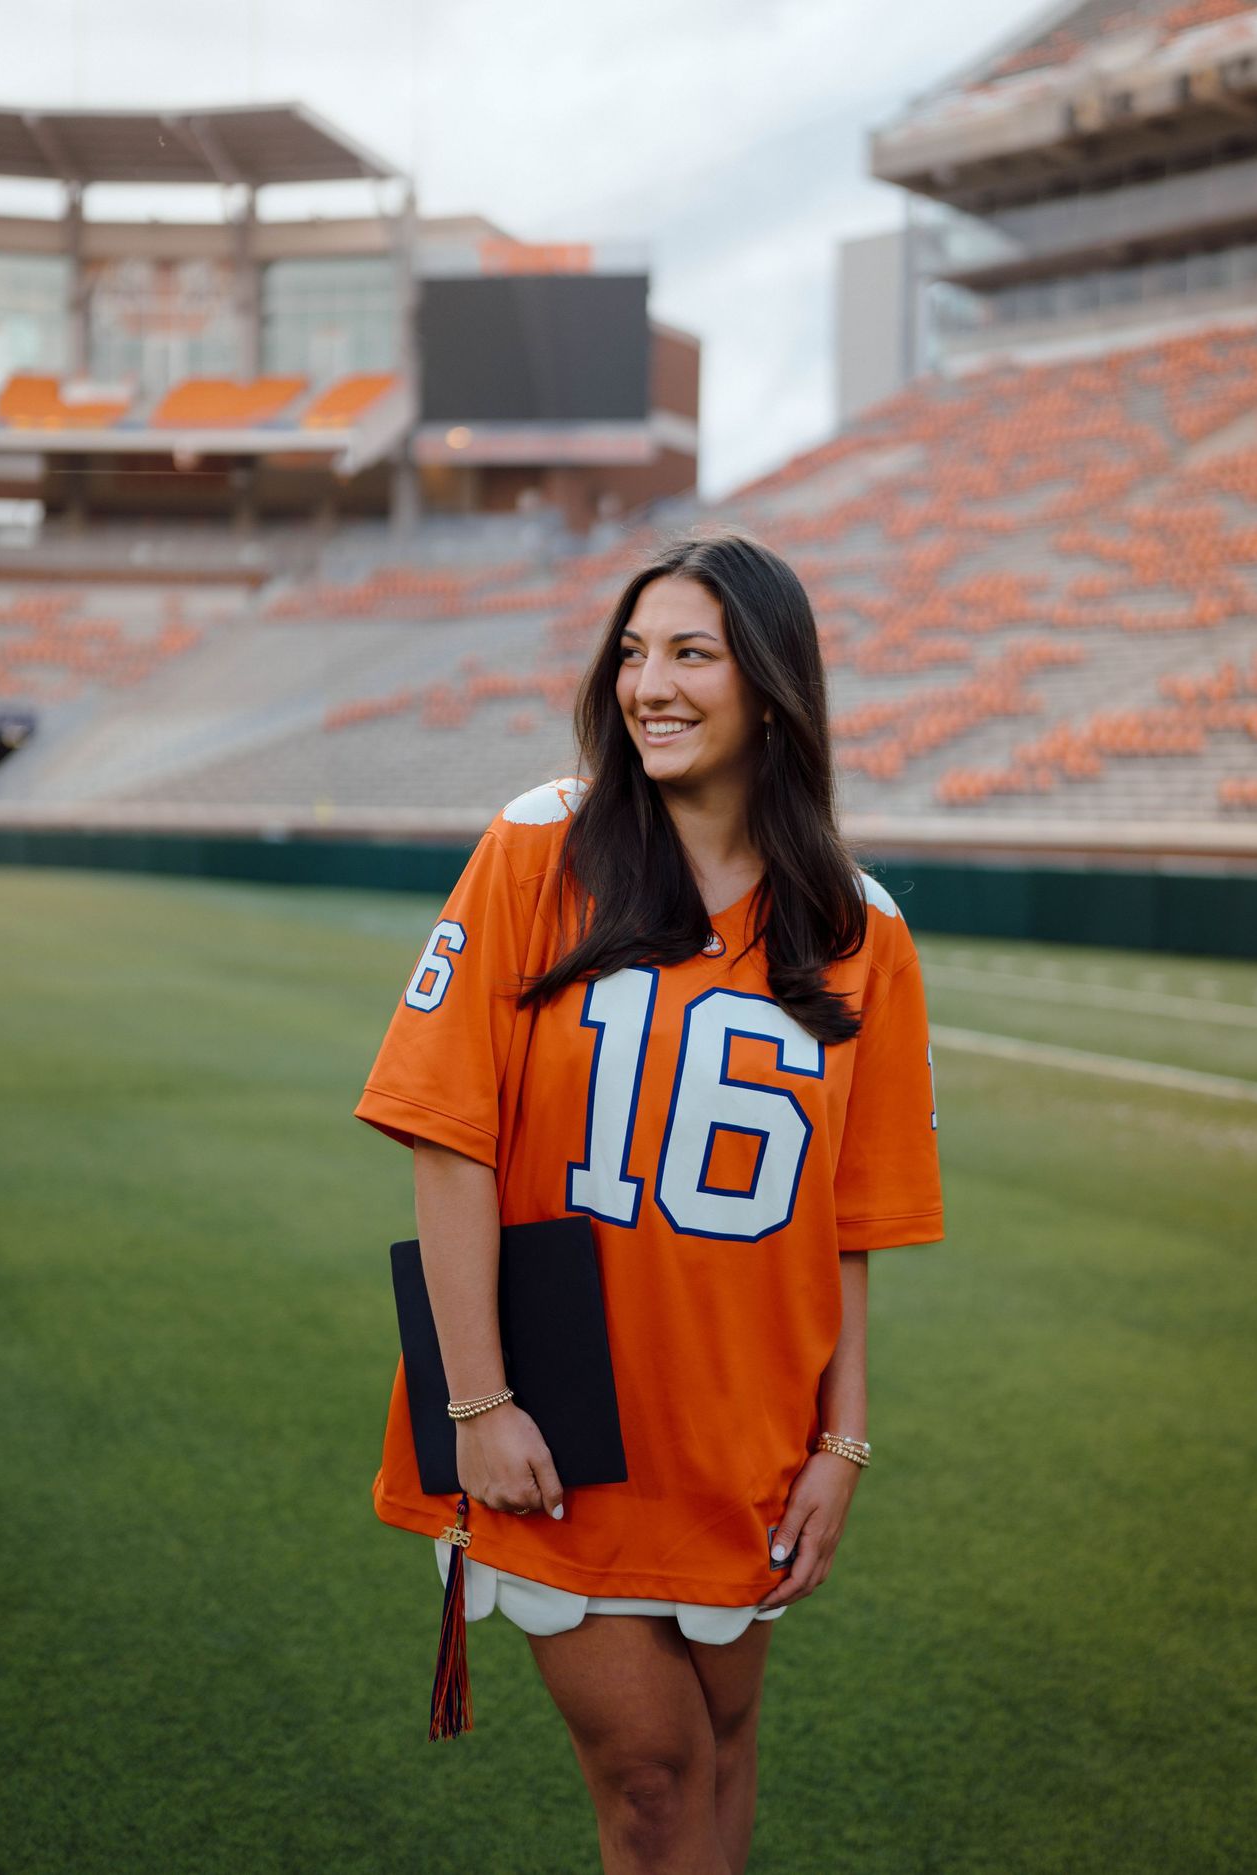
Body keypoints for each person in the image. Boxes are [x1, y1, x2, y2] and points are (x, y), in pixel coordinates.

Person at [354, 524, 943, 1875]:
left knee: (725, 1764)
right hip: (555, 1421)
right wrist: (479, 1399)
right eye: (632, 652)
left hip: (745, 1425)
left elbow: (851, 1226)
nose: (649, 685)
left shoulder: (864, 928)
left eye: (692, 652)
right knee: (655, 1780)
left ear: (774, 686)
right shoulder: (537, 845)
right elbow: (449, 1140)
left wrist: (839, 1450)